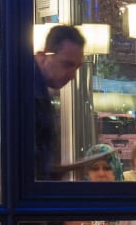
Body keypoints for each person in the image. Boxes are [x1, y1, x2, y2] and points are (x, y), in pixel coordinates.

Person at [32, 25, 113, 181]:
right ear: (44, 56)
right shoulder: (28, 93)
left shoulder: (35, 90)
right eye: (67, 64)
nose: (73, 76)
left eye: (77, 67)